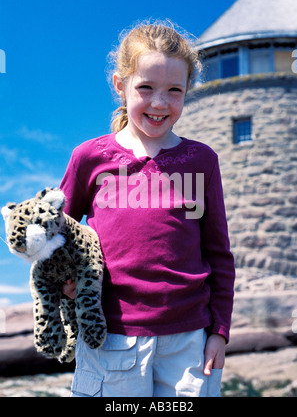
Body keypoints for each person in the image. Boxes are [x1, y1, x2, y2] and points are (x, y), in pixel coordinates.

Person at [60, 21, 235, 397]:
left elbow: (219, 254)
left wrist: (219, 331)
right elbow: (56, 236)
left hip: (190, 344)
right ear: (120, 86)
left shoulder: (202, 160)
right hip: (108, 337)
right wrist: (65, 281)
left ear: (188, 90)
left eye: (174, 90)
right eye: (145, 88)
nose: (159, 103)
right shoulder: (89, 157)